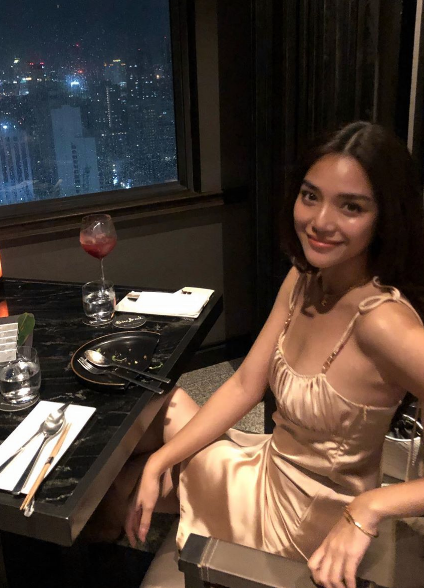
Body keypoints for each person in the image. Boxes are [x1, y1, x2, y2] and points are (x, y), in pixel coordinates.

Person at [122, 121, 424, 588]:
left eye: (351, 206)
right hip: (271, 468)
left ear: (385, 216)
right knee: (157, 418)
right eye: (311, 196)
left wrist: (372, 506)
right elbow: (246, 384)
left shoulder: (385, 325)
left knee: (118, 495)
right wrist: (162, 461)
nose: (321, 222)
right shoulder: (304, 278)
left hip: (308, 523)